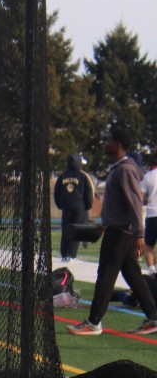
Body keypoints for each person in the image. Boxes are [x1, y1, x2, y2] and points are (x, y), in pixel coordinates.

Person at [70, 124, 157, 337]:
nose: (105, 143)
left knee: (106, 276)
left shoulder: (125, 170)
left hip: (120, 233)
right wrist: (105, 223)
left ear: (117, 144)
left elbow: (134, 203)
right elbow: (119, 204)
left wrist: (139, 234)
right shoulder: (119, 169)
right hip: (117, 229)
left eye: (108, 140)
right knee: (134, 277)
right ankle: (154, 317)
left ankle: (94, 322)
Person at [53, 153, 94, 265]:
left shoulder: (62, 176)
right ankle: (72, 255)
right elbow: (89, 192)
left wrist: (60, 205)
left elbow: (56, 192)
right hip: (79, 207)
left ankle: (64, 254)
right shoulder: (83, 176)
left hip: (66, 208)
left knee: (66, 229)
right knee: (77, 230)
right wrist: (87, 206)